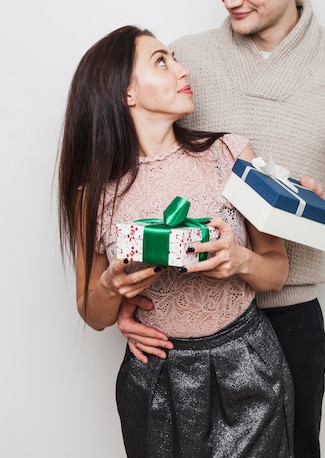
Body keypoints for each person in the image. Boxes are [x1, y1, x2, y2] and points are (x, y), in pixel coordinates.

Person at [117, 0, 325, 457]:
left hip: (289, 308)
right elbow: (137, 172)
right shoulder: (186, 58)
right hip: (183, 311)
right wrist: (116, 292)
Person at [58, 24, 300, 457]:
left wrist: (238, 260)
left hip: (248, 367)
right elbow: (93, 315)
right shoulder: (92, 196)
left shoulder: (230, 154)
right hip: (155, 379)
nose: (182, 69)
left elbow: (276, 269)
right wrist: (113, 288)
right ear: (126, 92)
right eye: (162, 61)